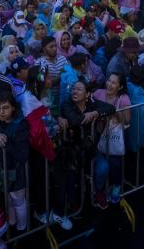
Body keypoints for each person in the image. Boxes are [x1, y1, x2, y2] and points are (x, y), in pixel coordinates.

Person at [60, 80, 114, 210]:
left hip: (90, 150)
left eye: (79, 89)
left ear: (87, 94)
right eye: (73, 89)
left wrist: (95, 113)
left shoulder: (92, 104)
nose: (74, 91)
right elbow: (75, 120)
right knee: (72, 178)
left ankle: (97, 191)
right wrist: (88, 116)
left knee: (103, 167)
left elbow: (110, 108)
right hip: (73, 151)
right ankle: (73, 203)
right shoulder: (67, 105)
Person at [0, 91, 30, 232]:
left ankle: (22, 228)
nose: (1, 112)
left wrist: (3, 139)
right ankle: (12, 224)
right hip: (3, 169)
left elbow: (23, 155)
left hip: (17, 170)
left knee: (18, 200)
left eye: (5, 107)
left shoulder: (21, 125)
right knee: (8, 199)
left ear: (13, 108)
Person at [92, 73, 131, 205]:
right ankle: (99, 190)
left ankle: (116, 187)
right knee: (102, 165)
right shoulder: (98, 93)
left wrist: (114, 111)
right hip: (98, 135)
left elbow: (127, 121)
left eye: (114, 83)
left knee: (115, 162)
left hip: (114, 135)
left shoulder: (124, 98)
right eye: (109, 81)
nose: (109, 84)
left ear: (120, 87)